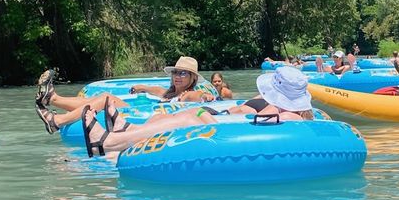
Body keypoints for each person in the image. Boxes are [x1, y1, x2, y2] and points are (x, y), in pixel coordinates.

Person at [77, 66, 327, 156]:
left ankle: (109, 143)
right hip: (231, 127)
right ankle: (125, 132)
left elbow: (264, 129)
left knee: (191, 116)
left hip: (232, 136)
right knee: (187, 115)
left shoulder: (290, 117)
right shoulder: (295, 113)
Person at [34, 56, 215, 134]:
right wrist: (141, 87)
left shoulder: (188, 95)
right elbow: (156, 91)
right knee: (99, 98)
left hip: (141, 117)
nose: (177, 76)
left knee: (106, 99)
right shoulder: (168, 93)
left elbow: (199, 96)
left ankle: (57, 122)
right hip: (142, 111)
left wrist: (206, 97)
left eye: (183, 73)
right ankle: (53, 99)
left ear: (192, 78)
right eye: (175, 72)